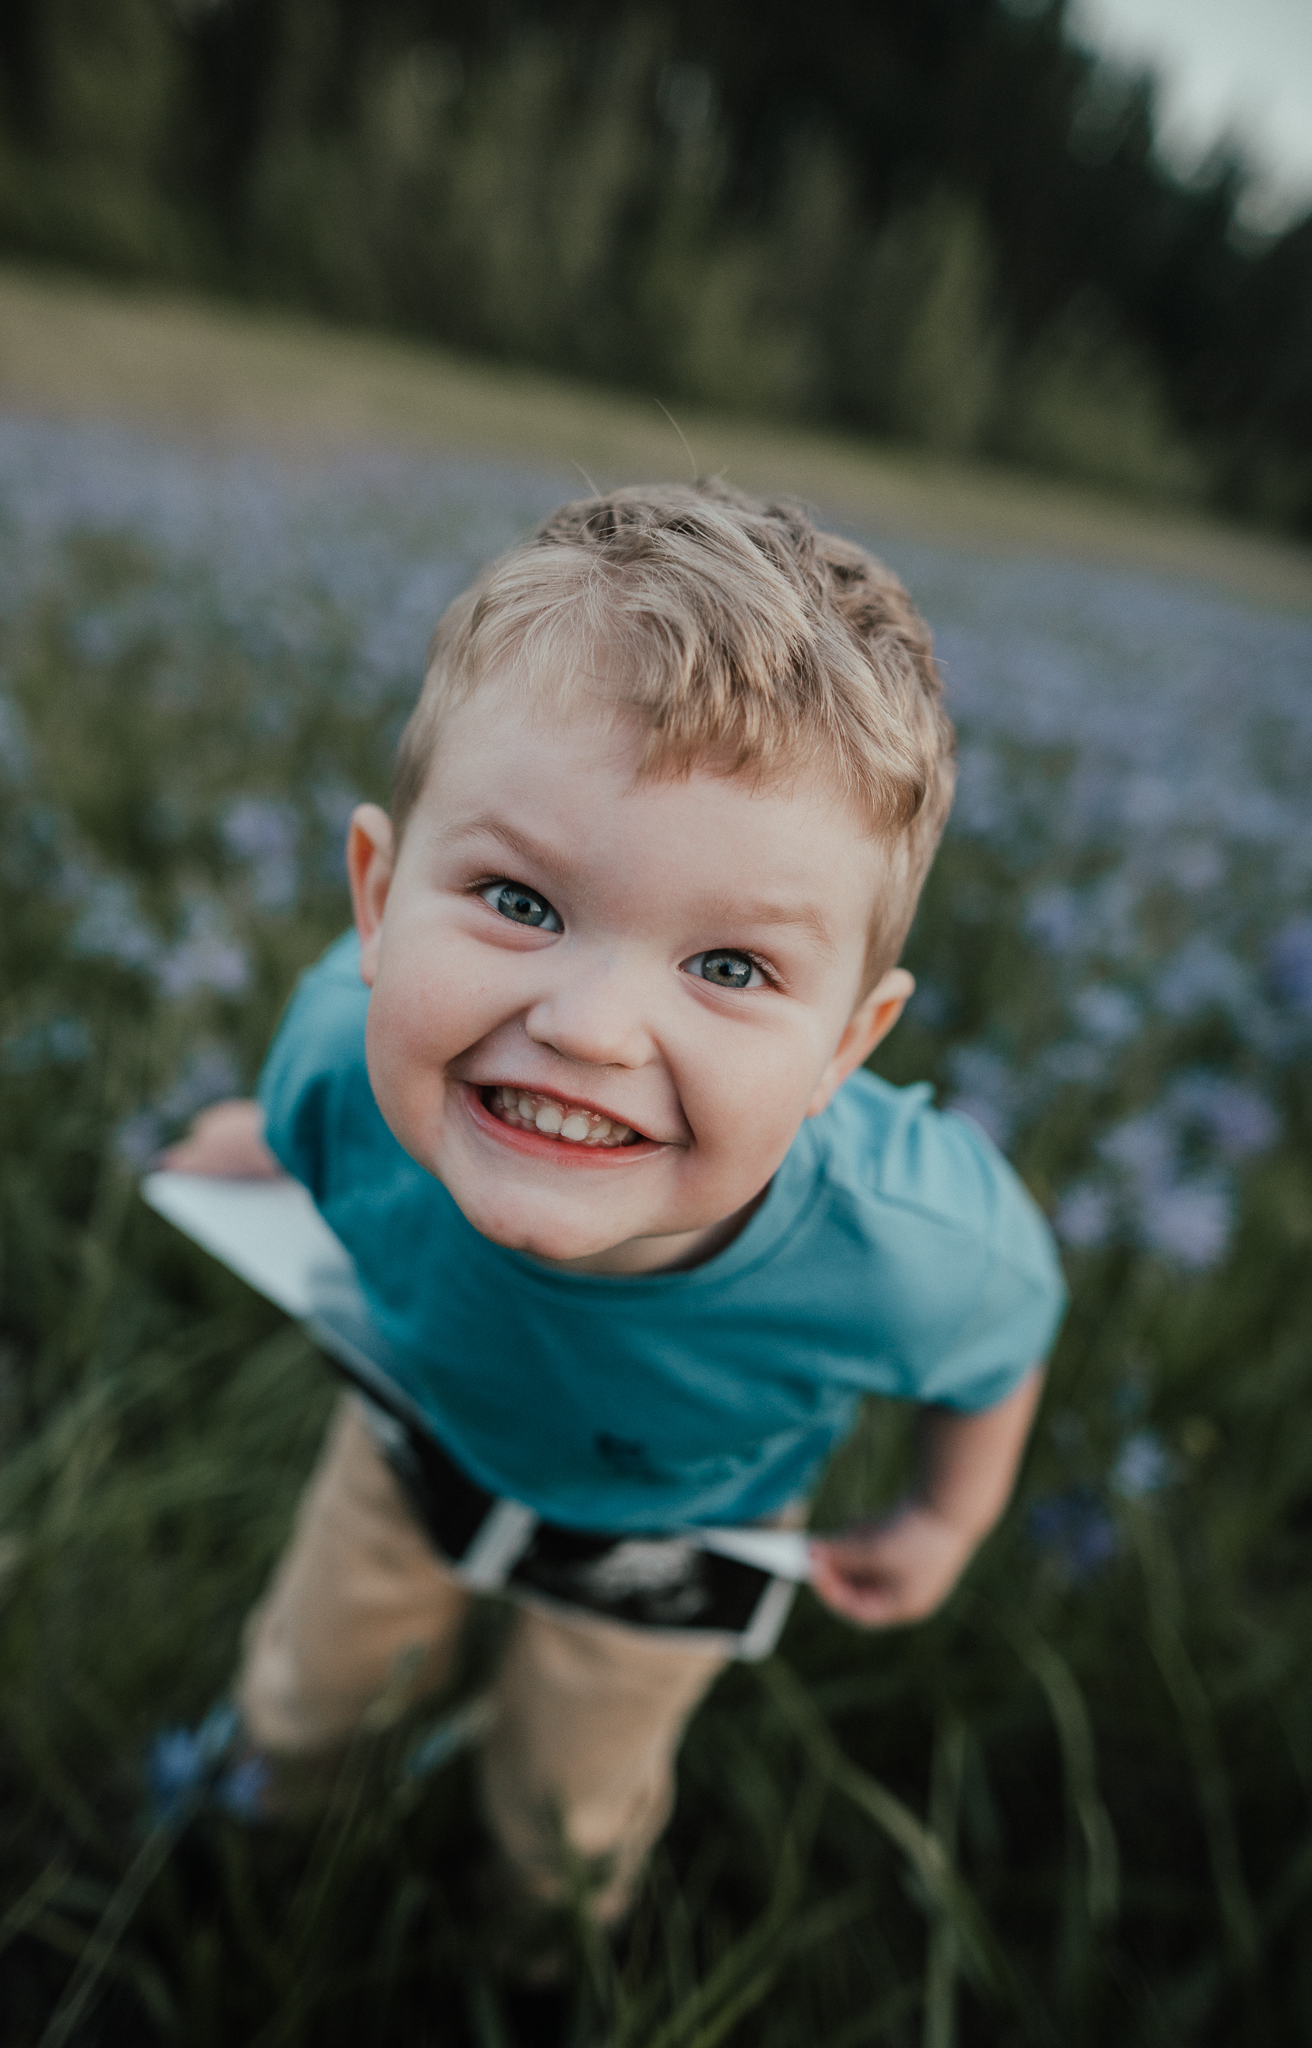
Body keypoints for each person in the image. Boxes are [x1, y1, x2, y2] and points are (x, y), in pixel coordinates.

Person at [164, 481, 1065, 1946]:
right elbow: (309, 1093)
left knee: (568, 1796)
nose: (588, 1028)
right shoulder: (333, 1060)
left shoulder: (906, 1245)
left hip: (679, 1525)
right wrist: (266, 1137)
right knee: (310, 1678)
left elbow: (1008, 1332)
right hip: (414, 1428)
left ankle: (532, 1953)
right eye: (520, 902)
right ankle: (251, 1853)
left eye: (730, 968)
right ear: (377, 901)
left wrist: (944, 1517)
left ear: (846, 1048)